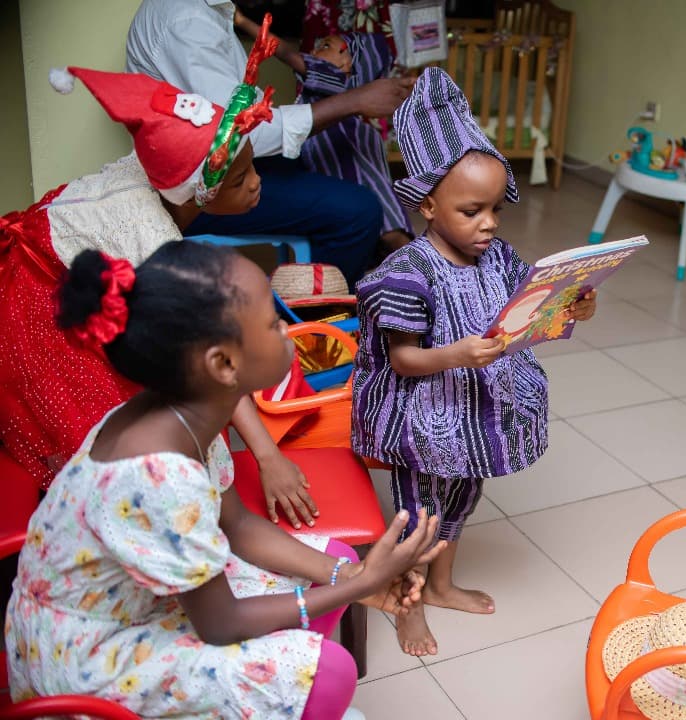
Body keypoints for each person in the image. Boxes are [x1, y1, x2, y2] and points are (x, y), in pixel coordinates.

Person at [4, 239, 446, 718]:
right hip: (90, 654)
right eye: (272, 323)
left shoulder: (187, 411)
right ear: (223, 364)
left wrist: (353, 574)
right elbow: (220, 623)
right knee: (329, 670)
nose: (284, 329)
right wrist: (361, 585)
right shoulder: (157, 474)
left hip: (140, 600)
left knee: (335, 559)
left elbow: (236, 525)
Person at [0, 52, 319, 526]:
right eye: (240, 180)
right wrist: (268, 458)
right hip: (38, 295)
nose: (257, 185)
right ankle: (125, 522)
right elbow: (213, 359)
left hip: (65, 263)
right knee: (109, 420)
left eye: (252, 169)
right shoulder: (154, 237)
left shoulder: (165, 170)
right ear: (199, 192)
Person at [352, 68, 597, 656]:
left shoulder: (496, 255)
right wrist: (458, 353)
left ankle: (439, 585)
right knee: (419, 515)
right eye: (470, 210)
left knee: (461, 499)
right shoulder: (407, 275)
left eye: (495, 208)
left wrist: (573, 303)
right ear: (429, 207)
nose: (488, 222)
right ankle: (407, 604)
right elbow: (404, 361)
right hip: (422, 417)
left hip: (477, 412)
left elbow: (529, 306)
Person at [126, 0, 415, 287]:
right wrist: (355, 101)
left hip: (225, 163)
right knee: (359, 211)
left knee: (336, 163)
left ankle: (386, 246)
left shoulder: (205, 12)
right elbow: (240, 133)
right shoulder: (186, 20)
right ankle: (307, 316)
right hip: (197, 191)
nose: (317, 51)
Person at [234, 9, 413, 254]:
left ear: (346, 63)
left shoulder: (336, 77)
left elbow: (285, 52)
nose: (314, 52)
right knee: (358, 202)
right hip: (335, 146)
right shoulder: (328, 82)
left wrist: (242, 21)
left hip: (343, 142)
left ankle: (417, 265)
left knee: (383, 211)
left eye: (326, 46)